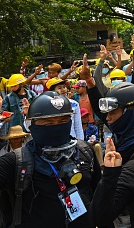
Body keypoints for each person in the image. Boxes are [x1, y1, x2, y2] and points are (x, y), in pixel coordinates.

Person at [0, 91, 101, 228]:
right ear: (33, 125)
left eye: (63, 121)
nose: (57, 127)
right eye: (48, 124)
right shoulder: (15, 161)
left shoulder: (85, 151)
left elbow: (99, 198)